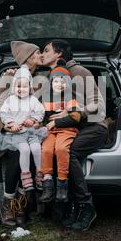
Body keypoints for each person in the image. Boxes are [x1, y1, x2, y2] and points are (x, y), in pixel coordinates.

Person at [41, 39, 108, 231]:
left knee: (68, 152)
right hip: (65, 128)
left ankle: (86, 207)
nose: (43, 54)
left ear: (59, 54)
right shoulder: (48, 77)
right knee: (53, 149)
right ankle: (64, 205)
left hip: (93, 127)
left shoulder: (80, 72)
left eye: (46, 50)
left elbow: (99, 107)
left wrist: (74, 112)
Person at [0, 41, 44, 227]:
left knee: (33, 149)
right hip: (7, 129)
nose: (41, 55)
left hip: (30, 129)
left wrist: (36, 122)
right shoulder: (9, 77)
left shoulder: (37, 76)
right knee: (18, 153)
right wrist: (7, 126)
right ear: (28, 58)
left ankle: (23, 205)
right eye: (37, 53)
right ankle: (9, 205)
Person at [0, 65, 47, 191]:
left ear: (29, 88)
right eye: (18, 86)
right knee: (25, 150)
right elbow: (4, 114)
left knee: (36, 148)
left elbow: (40, 111)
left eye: (24, 86)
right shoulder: (9, 100)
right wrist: (11, 124)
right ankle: (26, 176)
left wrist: (33, 119)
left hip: (31, 132)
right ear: (13, 87)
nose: (21, 89)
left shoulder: (33, 100)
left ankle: (40, 173)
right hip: (17, 134)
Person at [39, 59, 82, 203]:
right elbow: (39, 116)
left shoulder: (70, 97)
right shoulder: (44, 98)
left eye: (63, 82)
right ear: (51, 82)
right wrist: (38, 123)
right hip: (50, 131)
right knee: (46, 150)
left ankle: (62, 185)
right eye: (56, 81)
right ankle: (47, 184)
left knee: (61, 149)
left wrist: (55, 122)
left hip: (67, 130)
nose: (60, 84)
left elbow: (75, 118)